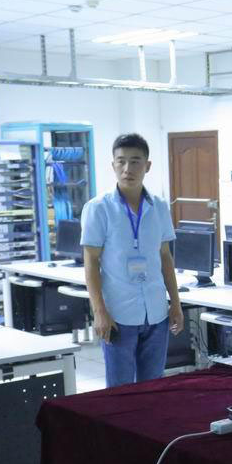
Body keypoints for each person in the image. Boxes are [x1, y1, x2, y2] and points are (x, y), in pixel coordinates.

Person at [81, 133, 184, 388]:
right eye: (121, 161)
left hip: (156, 313)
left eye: (135, 161)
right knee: (120, 392)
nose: (128, 168)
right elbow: (91, 262)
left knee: (153, 389)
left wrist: (176, 303)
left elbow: (165, 257)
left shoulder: (159, 207)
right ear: (113, 165)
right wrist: (99, 312)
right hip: (118, 315)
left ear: (147, 166)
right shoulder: (98, 208)